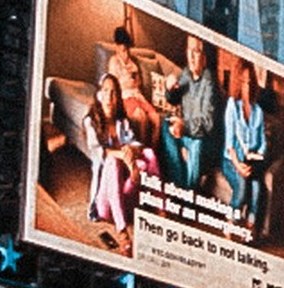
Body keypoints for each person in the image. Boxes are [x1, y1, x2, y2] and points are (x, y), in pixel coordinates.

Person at [84, 72, 152, 240]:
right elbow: (99, 152)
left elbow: (135, 142)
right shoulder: (90, 122)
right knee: (113, 161)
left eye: (114, 92)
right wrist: (122, 155)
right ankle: (122, 232)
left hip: (123, 192)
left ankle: (158, 206)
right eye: (106, 91)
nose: (109, 96)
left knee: (145, 161)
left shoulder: (123, 121)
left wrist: (130, 149)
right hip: (104, 205)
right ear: (99, 94)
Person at [161, 33, 219, 189]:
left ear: (205, 57)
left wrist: (184, 126)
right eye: (189, 50)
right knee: (166, 124)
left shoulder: (209, 81)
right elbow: (174, 98)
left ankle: (189, 191)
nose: (191, 57)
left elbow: (207, 124)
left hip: (204, 140)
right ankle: (179, 183)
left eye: (197, 51)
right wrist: (169, 90)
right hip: (187, 133)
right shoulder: (186, 73)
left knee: (197, 144)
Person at [220, 65, 271, 228]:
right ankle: (230, 224)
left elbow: (262, 143)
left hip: (252, 162)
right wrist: (238, 166)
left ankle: (249, 228)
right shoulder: (232, 105)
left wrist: (258, 156)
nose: (247, 87)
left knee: (257, 189)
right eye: (243, 82)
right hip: (231, 161)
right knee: (241, 189)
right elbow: (229, 144)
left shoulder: (258, 111)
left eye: (249, 82)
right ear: (238, 83)